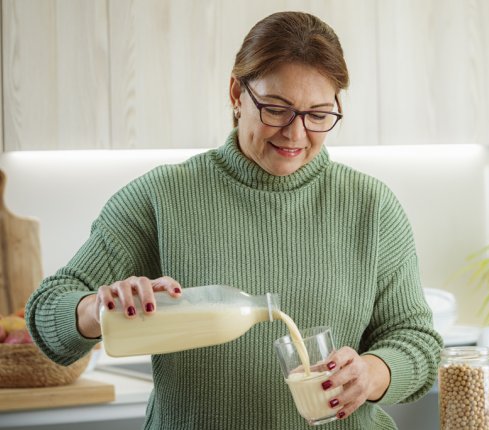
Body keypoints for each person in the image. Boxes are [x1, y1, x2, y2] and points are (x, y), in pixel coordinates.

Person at [25, 11, 442, 430]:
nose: (295, 134)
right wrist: (98, 310)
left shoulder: (371, 207)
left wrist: (371, 373)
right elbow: (47, 312)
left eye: (318, 114)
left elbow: (418, 342)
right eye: (276, 109)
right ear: (236, 93)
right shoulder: (163, 197)